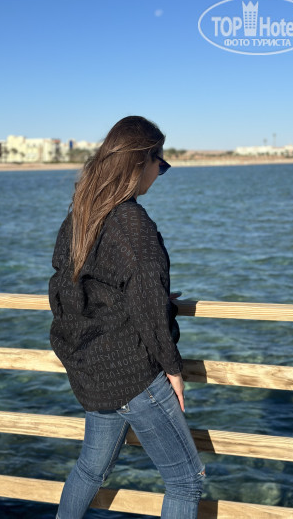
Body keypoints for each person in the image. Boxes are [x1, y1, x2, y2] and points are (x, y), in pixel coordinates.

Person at [48, 115, 205, 518]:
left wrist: (148, 296)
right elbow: (149, 308)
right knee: (186, 480)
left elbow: (70, 289)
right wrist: (173, 369)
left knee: (91, 469)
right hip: (133, 374)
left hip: (93, 371)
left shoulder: (82, 213)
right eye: (160, 163)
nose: (160, 173)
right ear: (140, 162)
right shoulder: (133, 223)